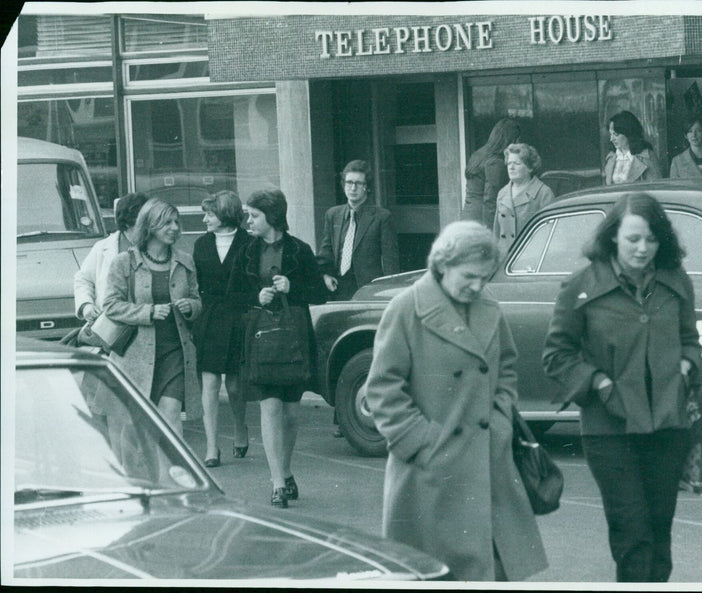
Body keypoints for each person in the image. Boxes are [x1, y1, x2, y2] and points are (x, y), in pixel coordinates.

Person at [365, 220, 547, 581]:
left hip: (487, 465)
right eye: (470, 276)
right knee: (433, 574)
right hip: (429, 475)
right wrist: (422, 443)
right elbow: (382, 388)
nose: (478, 285)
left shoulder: (488, 307)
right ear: (443, 264)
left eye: (485, 277)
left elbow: (507, 368)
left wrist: (499, 422)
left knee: (492, 571)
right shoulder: (406, 309)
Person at [542, 193, 702, 582]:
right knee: (632, 536)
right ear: (613, 236)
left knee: (659, 536)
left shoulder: (675, 281)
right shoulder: (581, 286)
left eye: (651, 239)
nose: (643, 248)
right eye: (633, 239)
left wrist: (686, 366)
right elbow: (556, 356)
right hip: (610, 430)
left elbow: (691, 341)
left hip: (668, 428)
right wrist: (598, 383)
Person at [227, 189, 328, 508]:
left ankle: (285, 471)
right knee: (269, 406)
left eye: (254, 215)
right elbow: (231, 293)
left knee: (291, 413)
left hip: (294, 339)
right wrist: (256, 296)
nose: (249, 221)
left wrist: (293, 288)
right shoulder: (245, 250)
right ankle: (277, 482)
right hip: (260, 338)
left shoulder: (300, 249)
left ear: (272, 216)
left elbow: (320, 295)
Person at [104, 199, 203, 436]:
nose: (175, 227)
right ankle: (139, 473)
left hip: (175, 352)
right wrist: (148, 312)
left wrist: (191, 306)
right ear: (149, 226)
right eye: (167, 222)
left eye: (176, 222)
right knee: (134, 424)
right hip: (135, 355)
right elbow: (110, 305)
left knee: (170, 414)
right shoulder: (124, 262)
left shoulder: (184, 261)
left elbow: (198, 300)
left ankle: (172, 473)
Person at [192, 191, 250, 467]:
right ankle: (212, 446)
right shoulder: (201, 245)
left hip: (240, 318)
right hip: (210, 319)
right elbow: (197, 284)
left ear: (225, 215)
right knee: (210, 384)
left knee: (236, 385)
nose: (205, 219)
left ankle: (240, 426)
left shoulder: (250, 243)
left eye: (210, 214)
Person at [316, 159, 399, 302]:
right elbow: (326, 251)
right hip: (338, 289)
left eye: (358, 183)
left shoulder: (382, 217)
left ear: (366, 187)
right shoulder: (333, 215)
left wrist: (388, 293)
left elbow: (390, 261)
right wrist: (325, 275)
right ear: (343, 185)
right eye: (349, 182)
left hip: (370, 291)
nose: (353, 188)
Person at [74, 192, 149, 326]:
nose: (147, 227)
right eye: (142, 223)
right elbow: (83, 279)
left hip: (145, 323)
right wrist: (86, 305)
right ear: (126, 223)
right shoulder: (102, 248)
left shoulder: (155, 247)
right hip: (109, 326)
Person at [493, 143, 555, 256]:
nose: (511, 167)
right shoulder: (502, 194)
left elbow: (550, 234)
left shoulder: (543, 193)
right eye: (509, 163)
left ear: (530, 167)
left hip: (531, 258)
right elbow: (496, 234)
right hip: (504, 260)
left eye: (517, 163)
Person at [462, 118, 522, 228]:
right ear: (510, 140)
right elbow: (490, 200)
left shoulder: (478, 154)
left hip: (468, 217)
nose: (518, 144)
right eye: (517, 140)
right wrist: (491, 232)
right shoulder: (495, 162)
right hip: (482, 221)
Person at [603, 111, 662, 185]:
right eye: (611, 134)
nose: (611, 139)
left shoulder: (647, 157)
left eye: (616, 134)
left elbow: (656, 187)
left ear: (628, 133)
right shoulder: (612, 158)